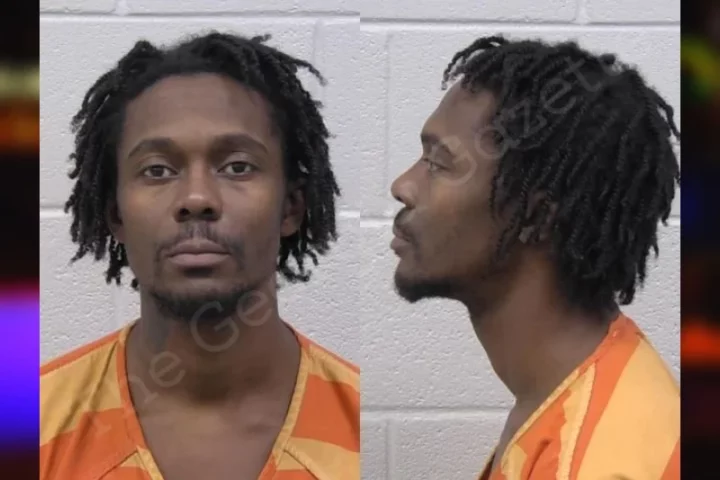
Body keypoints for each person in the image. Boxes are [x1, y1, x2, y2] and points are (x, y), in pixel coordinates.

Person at [40, 32, 359, 480]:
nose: (196, 198)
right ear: (116, 214)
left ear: (290, 208)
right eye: (157, 170)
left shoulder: (357, 425)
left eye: (237, 167)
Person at [390, 35, 680, 479]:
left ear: (536, 216)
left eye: (439, 164)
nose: (403, 186)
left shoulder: (595, 463)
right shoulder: (579, 390)